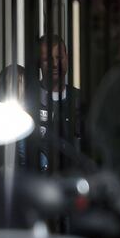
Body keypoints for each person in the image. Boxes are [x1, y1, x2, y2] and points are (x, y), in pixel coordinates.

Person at [36, 34, 83, 172]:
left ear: (67, 59)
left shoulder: (80, 100)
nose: (55, 64)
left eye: (59, 58)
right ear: (39, 62)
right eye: (48, 59)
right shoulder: (29, 100)